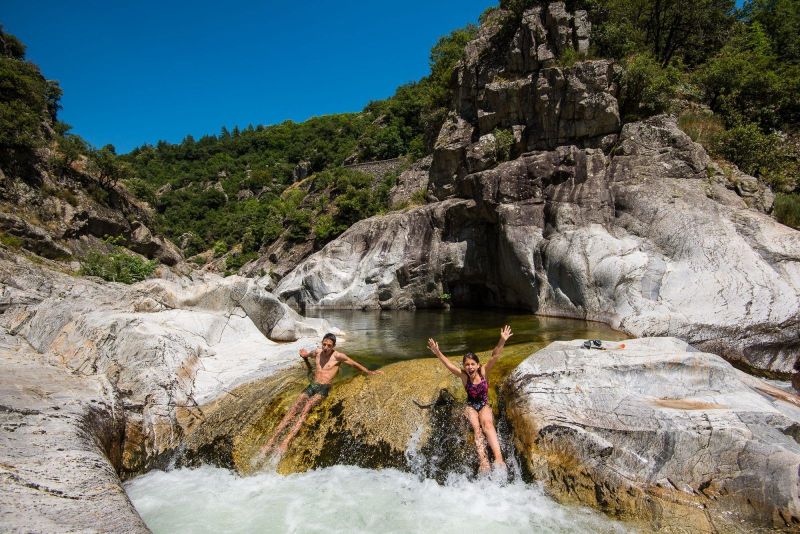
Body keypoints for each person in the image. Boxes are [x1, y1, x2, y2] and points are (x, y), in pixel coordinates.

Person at [260, 332, 382, 457]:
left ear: (333, 346)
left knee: (306, 408)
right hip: (313, 385)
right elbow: (307, 355)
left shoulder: (338, 356)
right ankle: (271, 441)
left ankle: (286, 441)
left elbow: (354, 364)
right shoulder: (317, 353)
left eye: (329, 345)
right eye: (324, 344)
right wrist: (304, 355)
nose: (326, 347)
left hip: (324, 388)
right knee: (294, 407)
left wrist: (368, 371)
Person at [427, 325, 513, 473]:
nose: (470, 367)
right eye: (467, 364)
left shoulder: (484, 371)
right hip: (471, 406)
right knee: (476, 429)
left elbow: (495, 356)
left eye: (473, 364)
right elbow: (448, 365)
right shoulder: (464, 376)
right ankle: (483, 461)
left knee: (487, 424)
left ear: (478, 365)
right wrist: (437, 352)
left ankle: (499, 458)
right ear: (464, 366)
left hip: (484, 404)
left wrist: (502, 340)